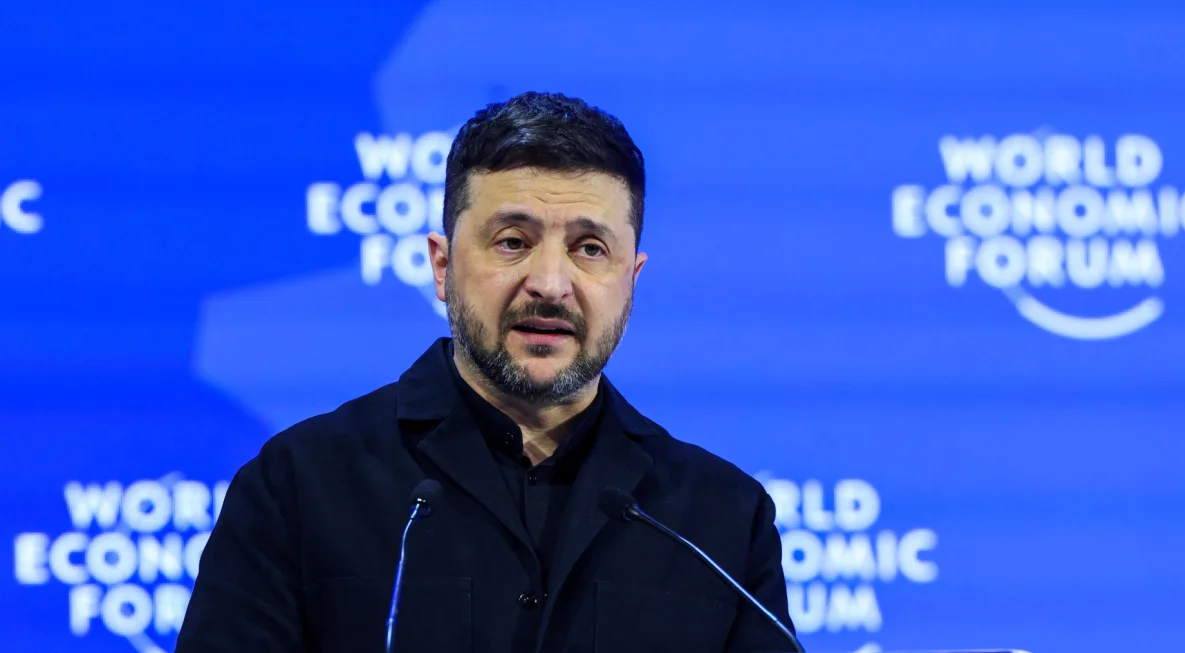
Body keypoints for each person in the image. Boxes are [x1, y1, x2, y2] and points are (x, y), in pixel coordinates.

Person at [176, 91, 794, 653]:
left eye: (589, 249)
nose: (551, 285)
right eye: (512, 241)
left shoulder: (721, 522)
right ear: (442, 268)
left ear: (631, 281)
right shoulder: (299, 488)